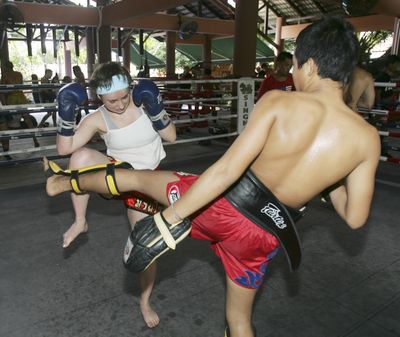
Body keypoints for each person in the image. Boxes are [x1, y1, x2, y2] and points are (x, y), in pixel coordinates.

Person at [45, 17, 381, 337]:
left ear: (309, 65)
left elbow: (227, 170)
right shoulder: (366, 138)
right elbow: (354, 218)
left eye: (293, 65)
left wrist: (170, 220)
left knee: (135, 179)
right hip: (265, 237)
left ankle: (65, 182)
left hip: (221, 208)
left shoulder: (280, 102)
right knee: (239, 321)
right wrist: (330, 176)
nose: (292, 73)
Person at [53, 61, 176, 328]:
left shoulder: (143, 102)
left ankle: (145, 301)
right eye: (111, 101)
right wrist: (65, 112)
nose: (119, 105)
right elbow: (65, 149)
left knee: (146, 249)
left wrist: (156, 108)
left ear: (131, 89)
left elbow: (172, 136)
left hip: (147, 182)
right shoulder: (97, 118)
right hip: (117, 176)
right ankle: (80, 221)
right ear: (99, 97)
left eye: (124, 97)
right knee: (80, 156)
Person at [0, 61, 39, 149]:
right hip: (21, 97)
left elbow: (2, 91)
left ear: (5, 67)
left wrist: (4, 105)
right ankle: (35, 140)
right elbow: (19, 85)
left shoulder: (5, 75)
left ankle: (7, 148)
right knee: (27, 119)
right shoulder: (19, 74)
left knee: (6, 123)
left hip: (12, 99)